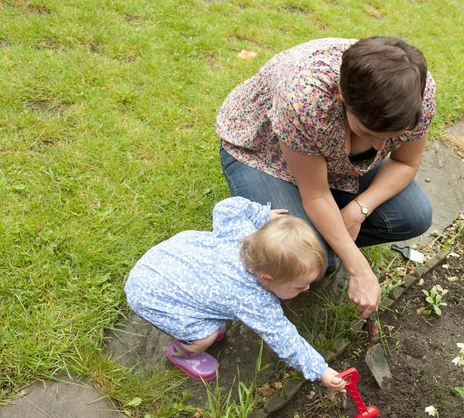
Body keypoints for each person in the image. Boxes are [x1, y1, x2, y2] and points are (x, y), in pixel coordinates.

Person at [216, 36, 436, 320]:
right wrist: (358, 267)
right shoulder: (304, 98)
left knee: (415, 214)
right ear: (343, 98)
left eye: (392, 137)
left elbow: (405, 162)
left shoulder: (416, 91)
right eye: (370, 134)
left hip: (335, 166)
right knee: (301, 256)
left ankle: (327, 242)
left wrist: (358, 211)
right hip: (264, 154)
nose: (381, 148)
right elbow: (316, 194)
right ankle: (319, 245)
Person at [124, 196, 346, 391]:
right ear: (269, 278)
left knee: (209, 317)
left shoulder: (242, 235)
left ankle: (198, 319)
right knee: (205, 337)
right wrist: (321, 371)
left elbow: (227, 207)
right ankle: (182, 352)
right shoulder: (252, 299)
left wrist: (262, 215)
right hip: (150, 296)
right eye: (299, 286)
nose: (306, 289)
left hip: (164, 261)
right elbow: (284, 338)